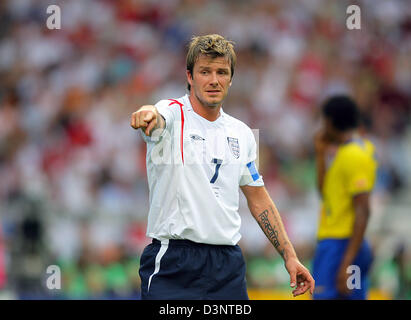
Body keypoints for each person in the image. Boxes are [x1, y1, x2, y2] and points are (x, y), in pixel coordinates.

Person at [130, 34, 314, 300]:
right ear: (190, 77)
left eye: (221, 72)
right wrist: (146, 113)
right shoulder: (173, 113)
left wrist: (290, 256)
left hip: (227, 264)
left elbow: (258, 199)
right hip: (174, 261)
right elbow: (156, 116)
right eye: (205, 71)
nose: (214, 80)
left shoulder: (241, 133)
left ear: (231, 79)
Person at [312, 95, 378, 299]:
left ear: (329, 122)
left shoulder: (353, 156)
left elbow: (363, 210)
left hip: (342, 245)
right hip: (336, 244)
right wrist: (321, 154)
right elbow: (325, 194)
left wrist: (347, 261)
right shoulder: (351, 151)